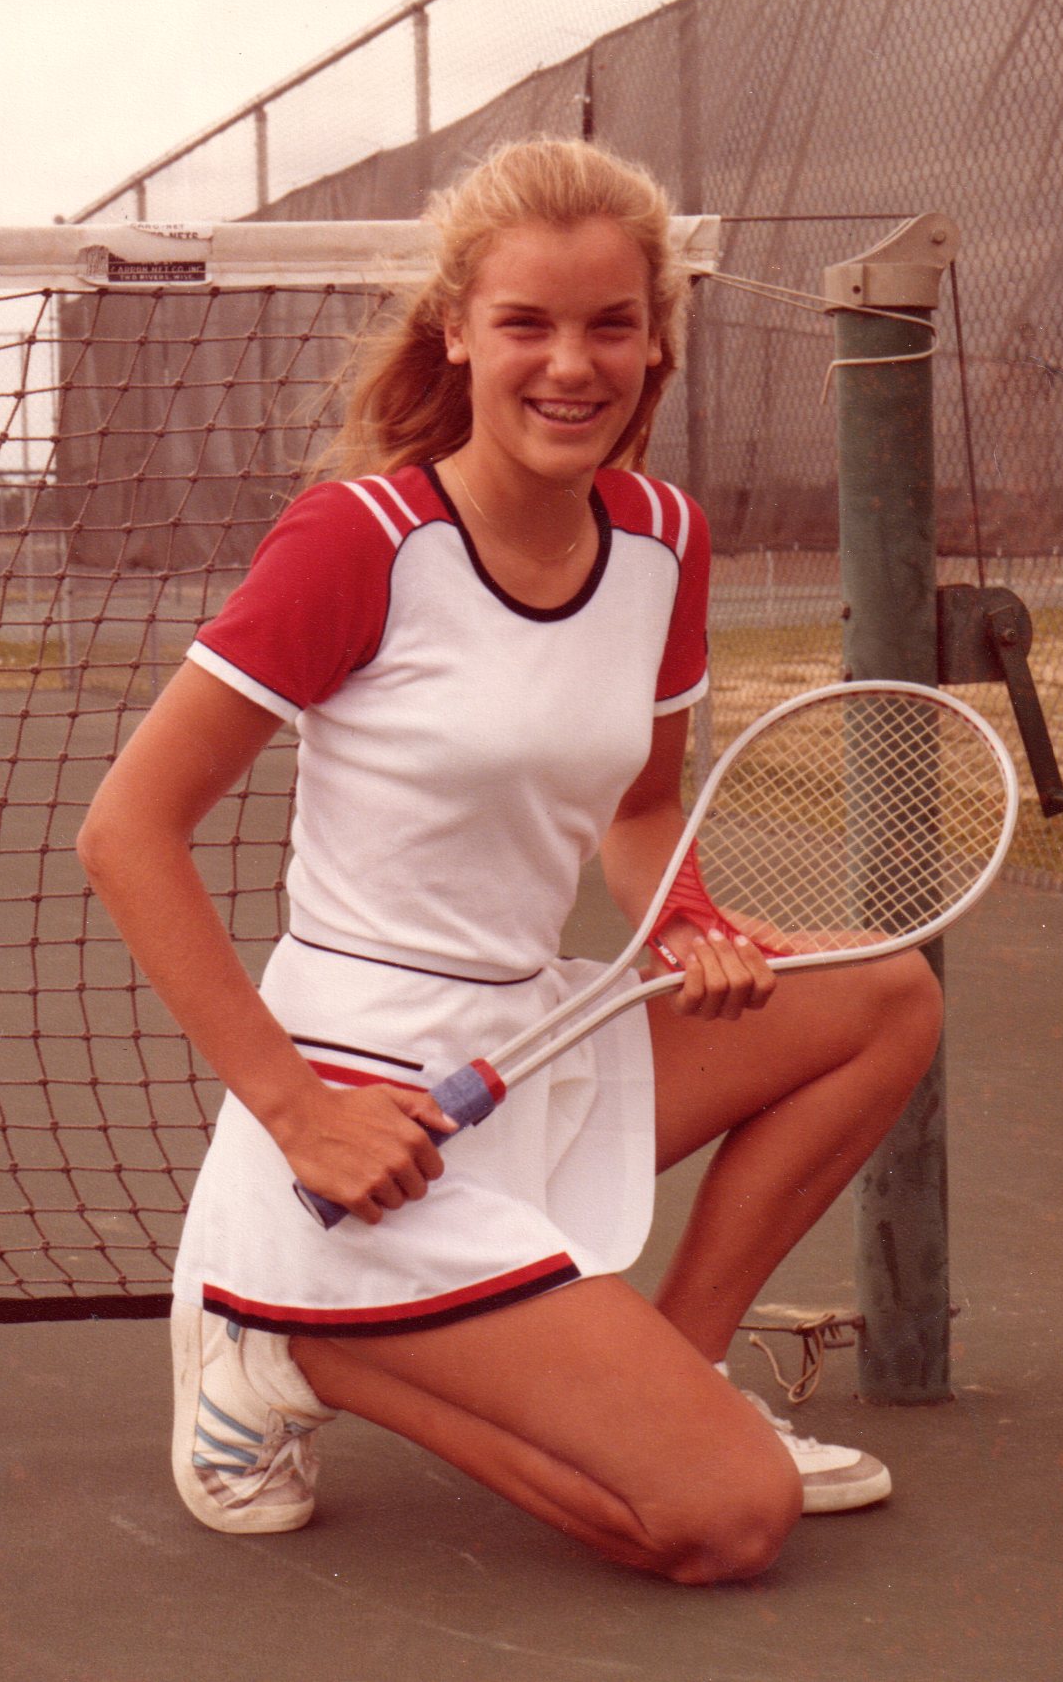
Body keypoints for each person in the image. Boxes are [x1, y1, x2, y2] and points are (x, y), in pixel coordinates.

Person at [78, 138, 942, 1586]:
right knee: (724, 1519)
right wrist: (301, 1115)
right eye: (527, 323)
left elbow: (642, 811)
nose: (570, 363)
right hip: (364, 1127)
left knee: (883, 996)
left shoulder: (665, 540)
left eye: (610, 321)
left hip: (534, 1035)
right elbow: (126, 830)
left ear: (655, 336)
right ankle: (284, 1342)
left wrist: (686, 920)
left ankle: (668, 1374)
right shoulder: (360, 540)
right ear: (459, 330)